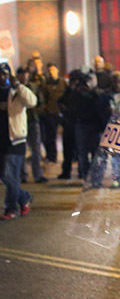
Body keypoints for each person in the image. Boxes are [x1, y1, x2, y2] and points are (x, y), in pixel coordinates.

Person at [0, 63, 37, 220]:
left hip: (15, 140)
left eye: (5, 74)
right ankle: (24, 197)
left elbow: (32, 101)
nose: (2, 77)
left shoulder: (17, 91)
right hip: (1, 140)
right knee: (4, 176)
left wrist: (18, 85)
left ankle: (10, 209)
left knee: (10, 175)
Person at [40, 63, 67, 164]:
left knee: (66, 136)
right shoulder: (46, 84)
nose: (51, 72)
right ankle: (52, 156)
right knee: (50, 137)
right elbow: (43, 98)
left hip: (62, 113)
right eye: (50, 70)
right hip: (51, 113)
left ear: (57, 71)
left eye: (53, 70)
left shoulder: (63, 83)